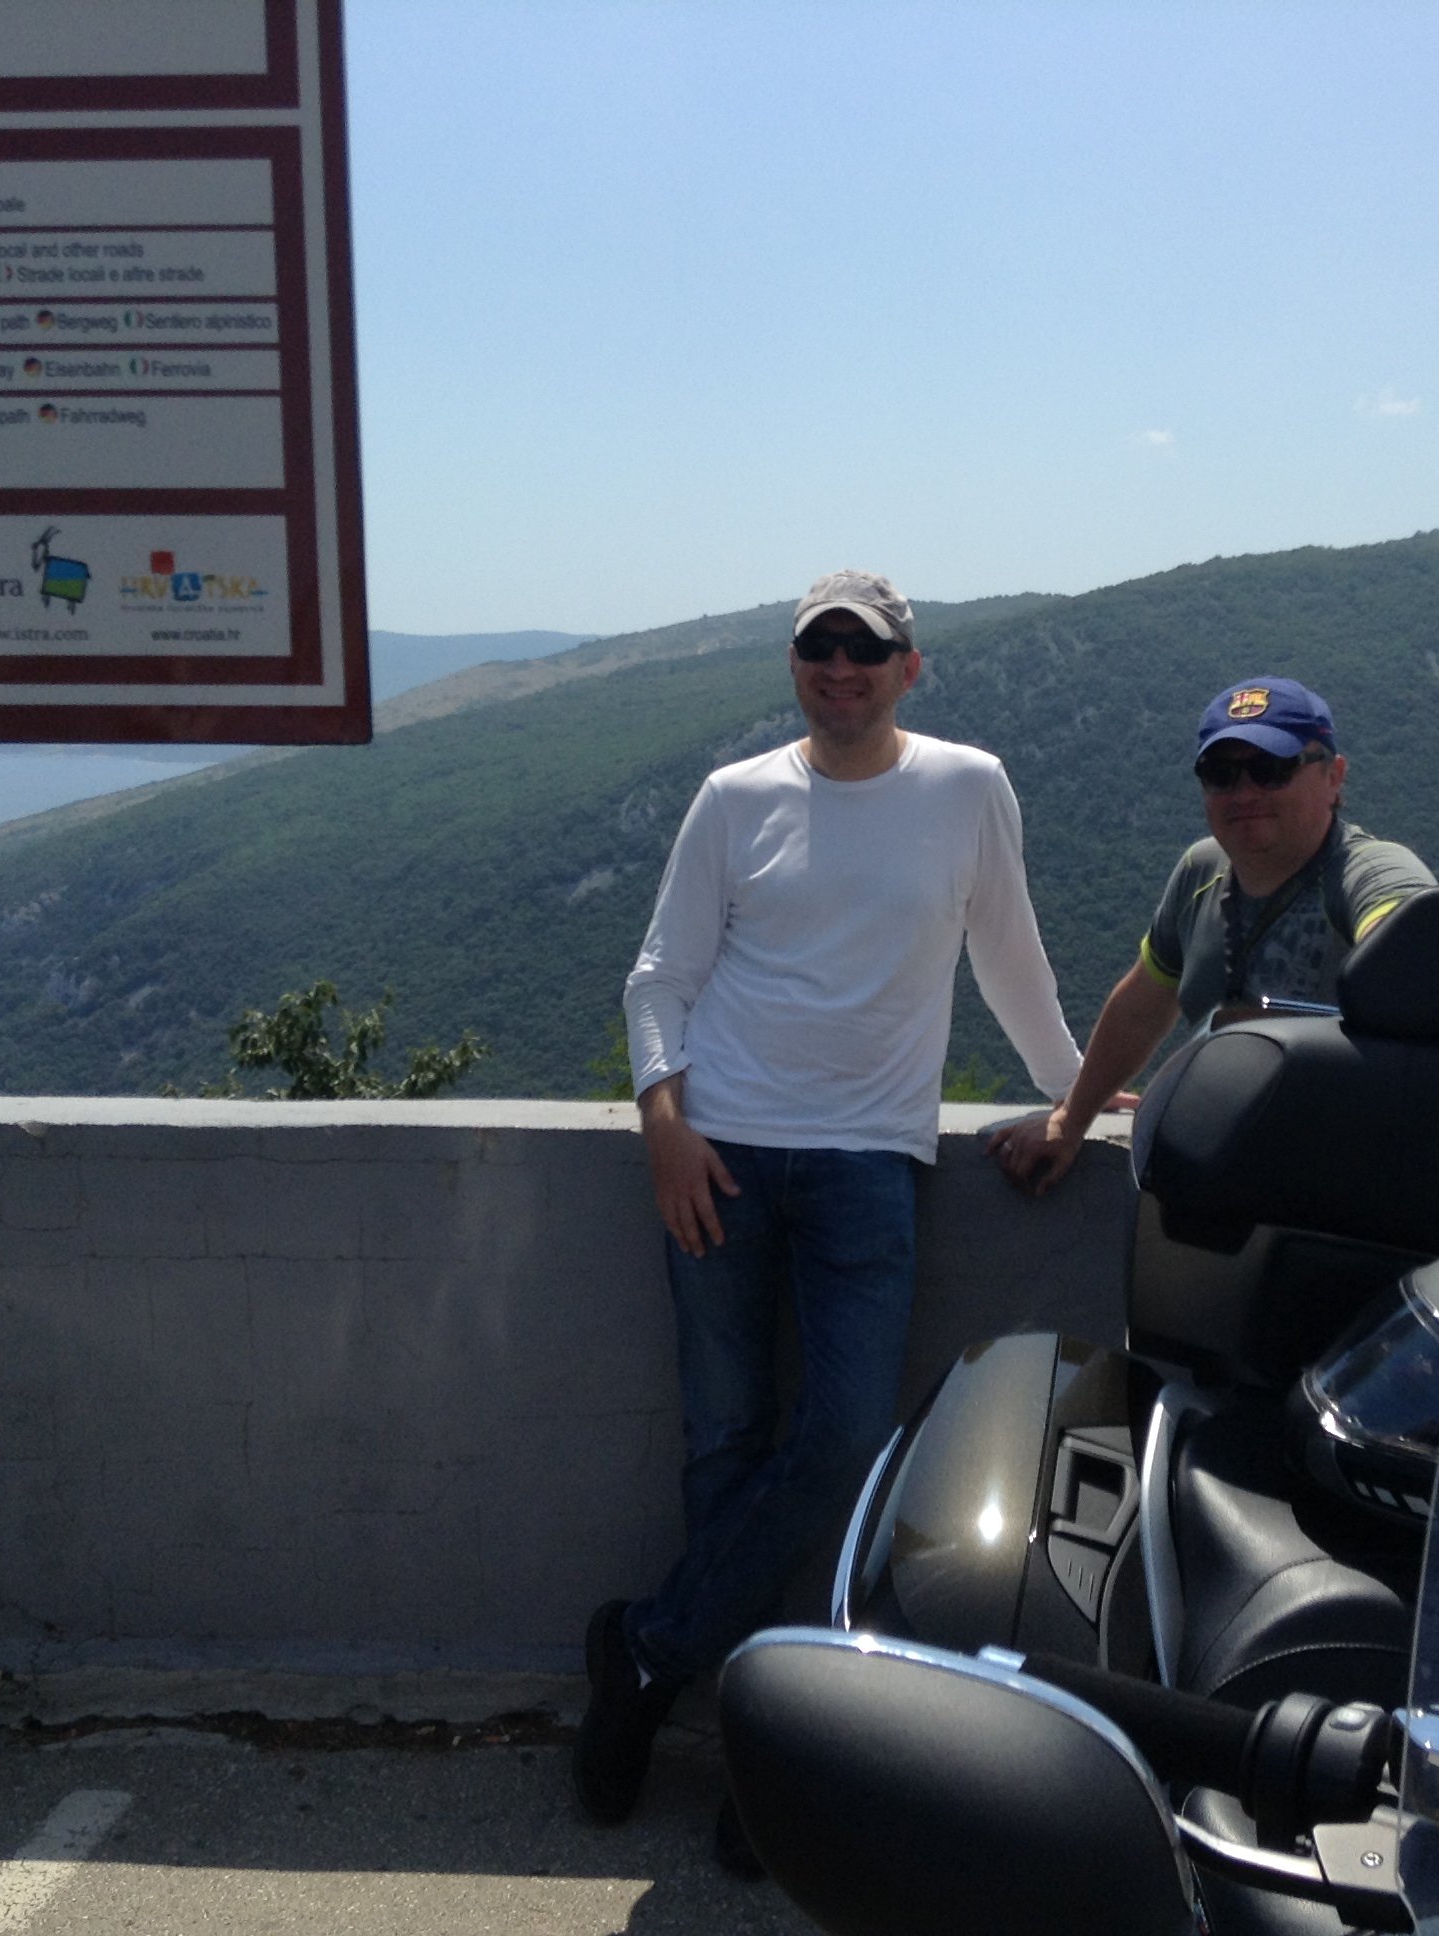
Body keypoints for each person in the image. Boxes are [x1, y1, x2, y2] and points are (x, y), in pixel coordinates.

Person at [579, 568, 1085, 1856]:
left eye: (867, 650)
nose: (841, 669)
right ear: (796, 666)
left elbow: (1009, 955)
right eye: (820, 649)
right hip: (723, 1156)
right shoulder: (734, 798)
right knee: (725, 1440)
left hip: (868, 1159)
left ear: (911, 667)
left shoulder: (968, 788)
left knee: (848, 1437)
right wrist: (663, 1125)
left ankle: (646, 1652)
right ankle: (753, 1750)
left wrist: (1076, 1095)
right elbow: (660, 978)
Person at [987, 675, 1433, 1197]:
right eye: (1222, 774)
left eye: (1271, 770)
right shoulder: (1202, 871)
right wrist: (1070, 1119)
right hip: (1219, 1177)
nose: (1244, 793)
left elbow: (1415, 944)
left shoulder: (1366, 872)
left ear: (1334, 777)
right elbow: (1141, 1009)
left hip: (1347, 1189)